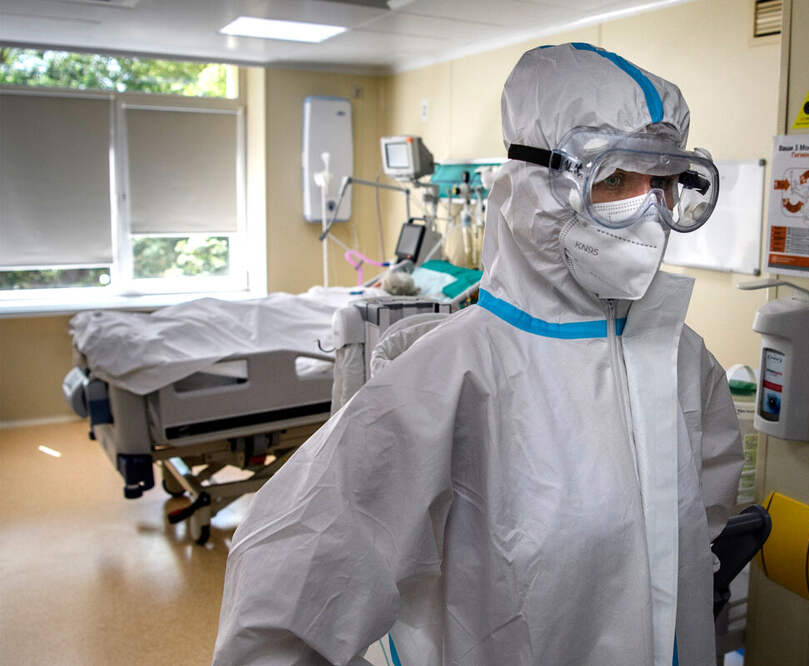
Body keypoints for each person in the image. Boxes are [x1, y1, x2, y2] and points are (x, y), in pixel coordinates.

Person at [214, 42, 743, 666]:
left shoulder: (683, 362)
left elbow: (699, 531)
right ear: (538, 187)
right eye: (616, 180)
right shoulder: (446, 379)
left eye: (665, 184)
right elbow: (289, 595)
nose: (649, 214)